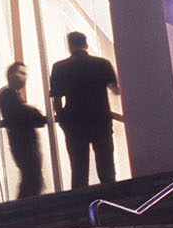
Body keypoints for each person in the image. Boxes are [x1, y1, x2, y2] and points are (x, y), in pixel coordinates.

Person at [48, 31, 120, 190]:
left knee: (79, 169)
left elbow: (57, 98)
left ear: (70, 46)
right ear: (86, 44)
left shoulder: (59, 67)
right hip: (100, 118)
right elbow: (115, 89)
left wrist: (62, 121)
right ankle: (111, 198)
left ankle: (80, 206)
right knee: (106, 165)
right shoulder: (102, 64)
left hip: (75, 121)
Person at [0, 60, 49, 200]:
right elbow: (24, 113)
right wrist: (36, 113)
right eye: (22, 73)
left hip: (24, 143)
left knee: (32, 178)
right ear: (11, 74)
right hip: (23, 143)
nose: (25, 77)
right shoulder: (8, 94)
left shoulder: (11, 95)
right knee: (32, 179)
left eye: (26, 74)